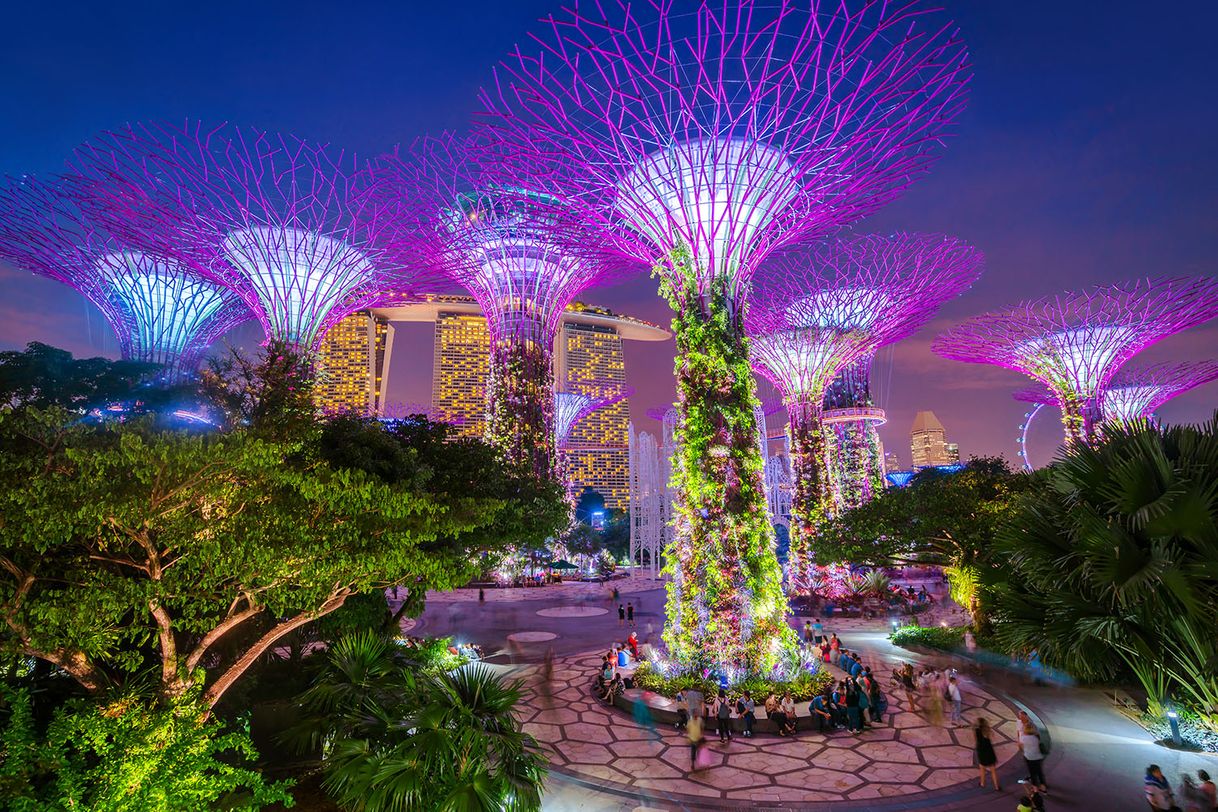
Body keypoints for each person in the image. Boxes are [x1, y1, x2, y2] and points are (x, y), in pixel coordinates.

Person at [1020, 723, 1047, 792]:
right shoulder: (1036, 736)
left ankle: (1035, 789)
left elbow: (1021, 747)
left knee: (1032, 773)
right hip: (1038, 757)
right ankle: (1043, 788)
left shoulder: (1023, 738)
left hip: (1029, 757)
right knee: (1039, 772)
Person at [974, 717, 1000, 791]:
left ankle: (982, 783)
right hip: (989, 750)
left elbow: (976, 740)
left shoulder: (977, 731)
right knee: (993, 770)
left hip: (981, 751)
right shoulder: (987, 731)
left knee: (982, 768)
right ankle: (996, 786)